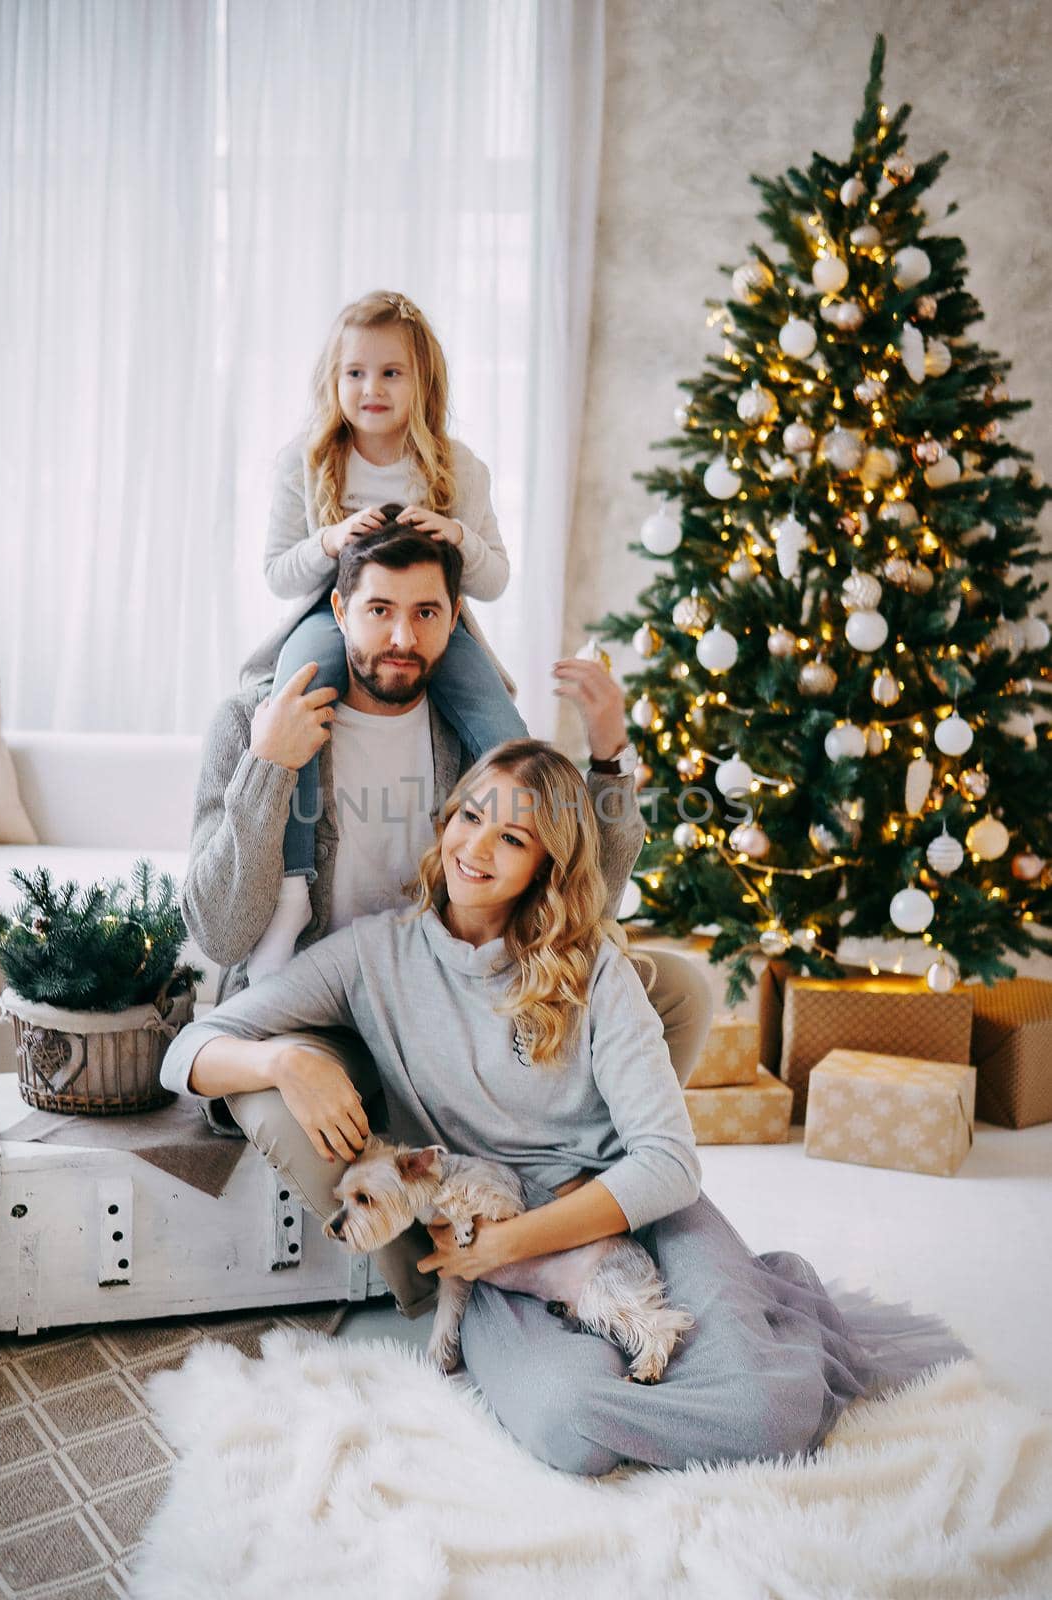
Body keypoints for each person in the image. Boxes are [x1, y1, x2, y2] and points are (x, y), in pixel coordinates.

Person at [162, 741, 968, 1477]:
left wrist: (511, 1243)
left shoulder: (593, 969)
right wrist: (283, 1058)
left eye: (512, 839)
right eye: (471, 817)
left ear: (546, 864)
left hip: (631, 1211)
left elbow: (667, 1163)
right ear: (447, 819)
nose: (476, 848)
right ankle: (717, 1354)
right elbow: (185, 1052)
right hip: (496, 1257)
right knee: (570, 1427)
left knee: (774, 1412)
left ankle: (745, 1330)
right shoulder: (369, 957)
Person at [181, 514, 712, 1315]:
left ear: (454, 621)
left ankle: (568, 1196)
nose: (402, 635)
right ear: (337, 610)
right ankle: (445, 1276)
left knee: (674, 986)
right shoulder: (253, 721)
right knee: (267, 1098)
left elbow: (577, 886)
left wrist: (609, 759)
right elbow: (219, 930)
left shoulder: (467, 735)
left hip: (456, 988)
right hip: (326, 994)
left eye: (425, 613)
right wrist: (267, 768)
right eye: (379, 610)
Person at [242, 288, 526, 893]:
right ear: (333, 380)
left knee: (504, 727)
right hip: (331, 614)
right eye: (356, 373)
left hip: (431, 622)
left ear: (422, 382)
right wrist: (328, 541)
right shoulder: (306, 462)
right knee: (298, 696)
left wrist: (458, 538)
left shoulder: (458, 467)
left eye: (391, 372)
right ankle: (295, 883)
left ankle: (518, 876)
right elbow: (275, 574)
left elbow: (495, 579)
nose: (372, 388)